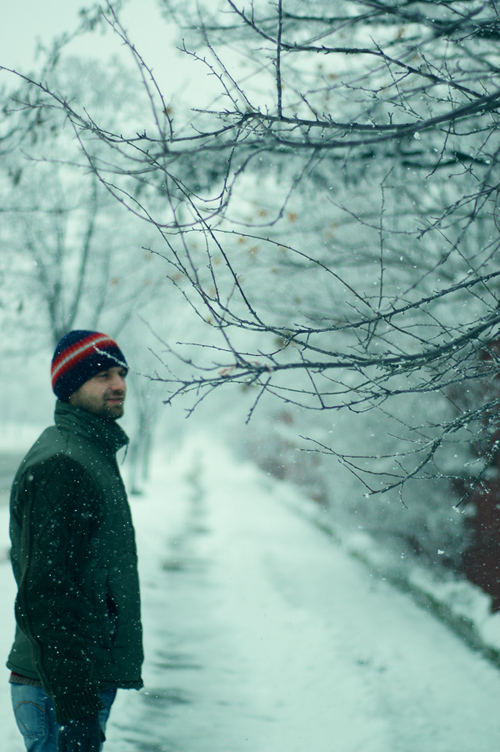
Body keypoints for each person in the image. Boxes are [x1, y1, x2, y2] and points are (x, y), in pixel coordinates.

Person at [7, 330, 144, 752]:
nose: (119, 385)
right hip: (59, 689)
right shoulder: (63, 463)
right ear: (70, 386)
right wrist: (76, 706)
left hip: (76, 679)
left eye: (121, 374)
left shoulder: (89, 452)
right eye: (103, 375)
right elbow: (48, 594)